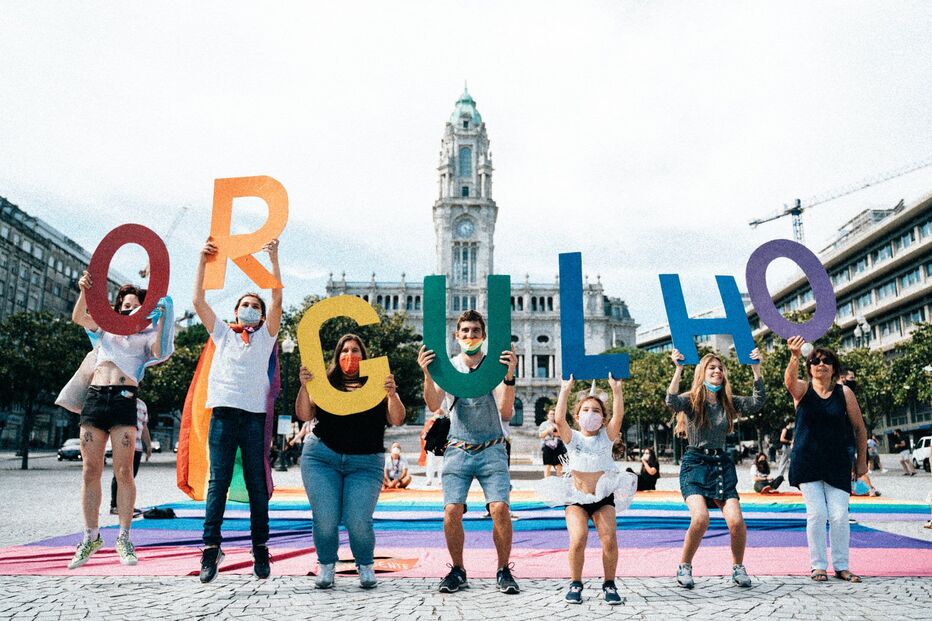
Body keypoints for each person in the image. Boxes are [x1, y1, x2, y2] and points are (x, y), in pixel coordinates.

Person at [194, 238, 282, 583]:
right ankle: (210, 548)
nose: (250, 308)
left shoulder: (266, 337)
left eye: (254, 306)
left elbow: (277, 298)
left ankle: (259, 545)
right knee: (218, 482)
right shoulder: (223, 335)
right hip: (224, 415)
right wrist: (203, 263)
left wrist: (274, 259)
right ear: (235, 312)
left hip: (254, 418)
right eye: (244, 304)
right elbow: (198, 300)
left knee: (256, 483)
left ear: (261, 316)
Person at [417, 309, 520, 594]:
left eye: (475, 331)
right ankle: (458, 568)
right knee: (451, 510)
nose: (470, 336)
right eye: (465, 331)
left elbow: (506, 410)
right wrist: (427, 373)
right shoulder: (448, 367)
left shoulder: (495, 367)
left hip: (492, 448)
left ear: (484, 336)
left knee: (500, 508)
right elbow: (434, 402)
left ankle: (503, 569)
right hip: (458, 448)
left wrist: (509, 378)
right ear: (456, 336)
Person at [69, 277, 168, 570]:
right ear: (117, 309)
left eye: (135, 307)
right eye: (125, 306)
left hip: (125, 399)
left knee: (124, 470)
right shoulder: (105, 330)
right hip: (96, 397)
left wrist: (160, 317)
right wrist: (85, 291)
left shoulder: (145, 335)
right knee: (90, 470)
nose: (129, 311)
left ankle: (124, 537)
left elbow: (161, 352)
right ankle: (91, 536)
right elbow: (78, 317)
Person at [296, 334, 405, 589]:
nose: (350, 355)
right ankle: (326, 565)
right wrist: (304, 386)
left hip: (365, 463)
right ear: (337, 355)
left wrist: (392, 393)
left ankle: (365, 564)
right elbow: (303, 414)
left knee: (359, 520)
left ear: (364, 356)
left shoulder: (377, 383)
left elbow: (397, 418)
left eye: (355, 350)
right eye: (345, 350)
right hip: (322, 457)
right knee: (325, 518)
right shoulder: (325, 382)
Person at [666, 347, 765, 589]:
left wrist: (756, 368)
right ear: (702, 373)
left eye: (720, 368)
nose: (717, 371)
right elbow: (671, 400)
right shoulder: (692, 400)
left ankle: (738, 567)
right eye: (712, 368)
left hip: (721, 464)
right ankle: (685, 565)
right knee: (700, 518)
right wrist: (678, 369)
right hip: (695, 464)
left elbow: (756, 402)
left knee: (736, 521)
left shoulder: (727, 401)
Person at [537, 375, 634, 605]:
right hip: (576, 497)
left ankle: (609, 583)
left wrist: (617, 390)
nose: (591, 414)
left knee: (609, 538)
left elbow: (619, 416)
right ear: (578, 416)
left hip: (602, 497)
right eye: (586, 409)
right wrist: (564, 390)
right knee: (578, 538)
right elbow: (559, 420)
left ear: (602, 418)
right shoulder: (573, 438)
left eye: (597, 410)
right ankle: (575, 582)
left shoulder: (607, 437)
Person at [784, 337, 868, 583]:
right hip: (807, 462)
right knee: (817, 514)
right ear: (809, 368)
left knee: (840, 515)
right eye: (816, 361)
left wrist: (862, 462)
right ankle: (818, 565)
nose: (821, 364)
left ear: (834, 368)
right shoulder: (803, 390)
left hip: (837, 463)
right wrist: (795, 356)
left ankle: (841, 566)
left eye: (827, 361)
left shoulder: (845, 393)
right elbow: (789, 382)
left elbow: (860, 429)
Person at [109, 398, 153, 516]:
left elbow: (144, 427)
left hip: (137, 446)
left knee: (131, 476)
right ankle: (115, 505)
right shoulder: (121, 399)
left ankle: (126, 505)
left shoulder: (142, 405)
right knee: (119, 474)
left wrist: (148, 445)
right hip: (122, 444)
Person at [421, 410, 449, 487]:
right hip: (431, 446)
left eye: (440, 414)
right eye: (437, 414)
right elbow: (424, 434)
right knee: (430, 464)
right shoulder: (430, 422)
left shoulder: (445, 423)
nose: (438, 415)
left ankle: (440, 480)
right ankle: (429, 480)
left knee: (441, 464)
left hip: (440, 446)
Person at [539, 409, 567, 478]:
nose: (552, 415)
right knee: (548, 465)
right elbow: (541, 435)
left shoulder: (559, 424)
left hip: (559, 446)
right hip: (548, 446)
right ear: (547, 415)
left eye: (554, 414)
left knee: (559, 465)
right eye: (551, 414)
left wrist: (557, 432)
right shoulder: (544, 424)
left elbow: (564, 435)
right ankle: (547, 481)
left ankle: (560, 481)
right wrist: (548, 430)